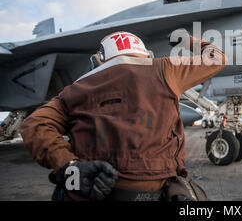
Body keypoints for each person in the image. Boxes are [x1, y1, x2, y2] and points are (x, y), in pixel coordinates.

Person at [20, 31, 226, 201]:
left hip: (91, 194)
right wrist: (187, 39)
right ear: (146, 54)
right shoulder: (165, 69)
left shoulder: (76, 88)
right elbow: (216, 58)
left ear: (98, 60)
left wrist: (70, 167)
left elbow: (34, 124)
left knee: (64, 189)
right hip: (154, 192)